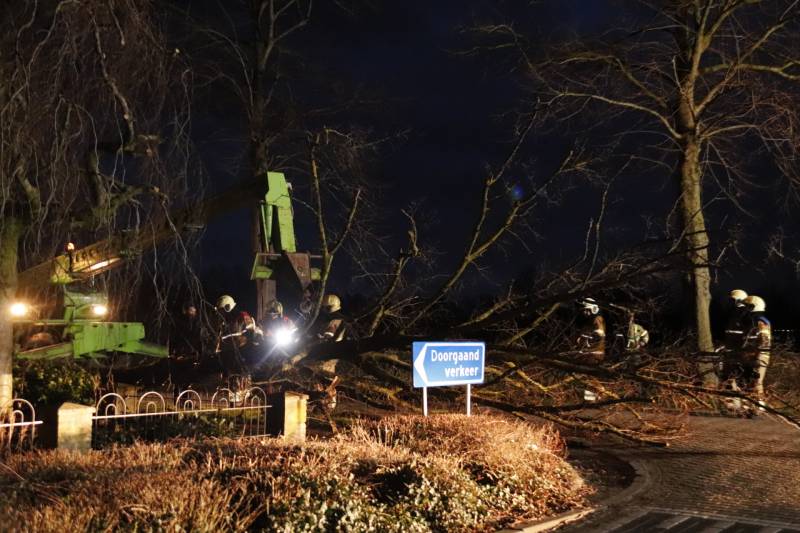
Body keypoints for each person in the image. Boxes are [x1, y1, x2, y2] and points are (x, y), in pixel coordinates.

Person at [575, 298, 606, 363]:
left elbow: (599, 335)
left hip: (594, 355)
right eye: (584, 310)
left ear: (593, 310)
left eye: (587, 310)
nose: (584, 312)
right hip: (588, 353)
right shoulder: (588, 322)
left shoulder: (597, 320)